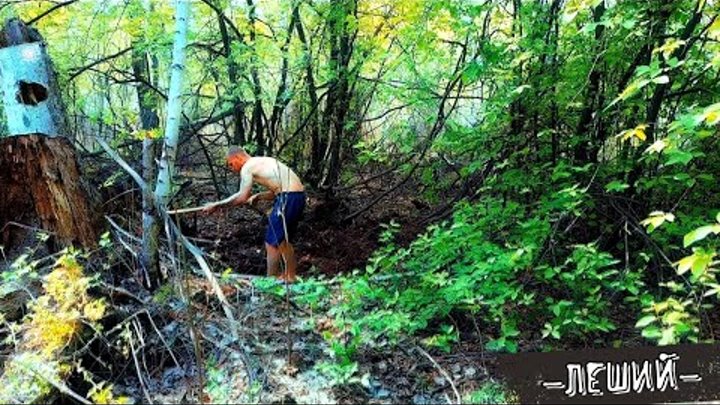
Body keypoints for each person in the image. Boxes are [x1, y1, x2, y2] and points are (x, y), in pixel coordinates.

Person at [202, 148, 306, 282]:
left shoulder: (247, 167)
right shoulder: (261, 161)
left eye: (231, 164)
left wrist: (217, 204)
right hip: (297, 197)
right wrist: (259, 196)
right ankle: (290, 277)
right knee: (283, 241)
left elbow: (241, 197)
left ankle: (270, 281)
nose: (232, 168)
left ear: (238, 157)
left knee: (271, 242)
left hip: (288, 198)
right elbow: (277, 189)